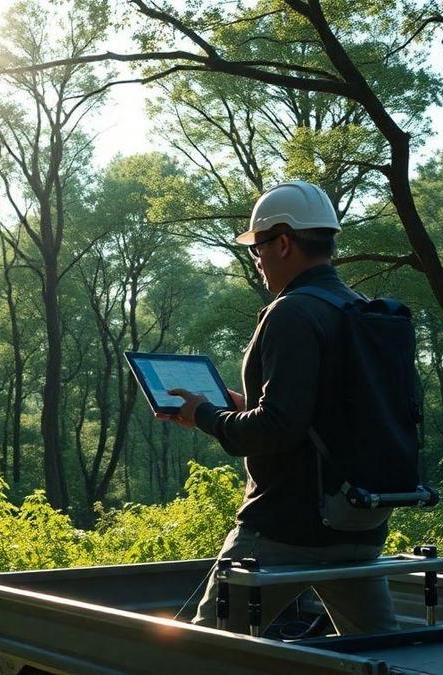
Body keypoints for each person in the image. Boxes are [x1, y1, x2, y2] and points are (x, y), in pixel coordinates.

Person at [158, 180, 398, 636]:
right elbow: (318, 418)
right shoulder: (361, 311)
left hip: (283, 530)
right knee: (380, 654)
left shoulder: (291, 312)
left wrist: (205, 415)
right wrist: (240, 408)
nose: (257, 259)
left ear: (284, 243)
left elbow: (276, 428)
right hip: (358, 527)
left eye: (258, 248)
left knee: (202, 653)